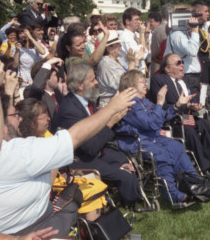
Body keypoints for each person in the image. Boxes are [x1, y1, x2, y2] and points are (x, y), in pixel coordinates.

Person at [0, 59, 136, 236]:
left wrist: (8, 92)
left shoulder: (17, 148)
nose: (19, 118)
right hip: (42, 226)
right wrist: (111, 111)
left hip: (31, 223)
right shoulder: (20, 152)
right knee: (89, 190)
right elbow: (78, 138)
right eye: (15, 114)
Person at [52, 62, 143, 207]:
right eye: (92, 80)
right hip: (81, 160)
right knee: (126, 177)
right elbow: (89, 147)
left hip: (99, 150)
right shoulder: (70, 110)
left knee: (127, 163)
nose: (96, 82)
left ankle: (124, 195)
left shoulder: (88, 100)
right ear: (80, 85)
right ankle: (131, 205)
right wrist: (110, 123)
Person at [115, 69, 208, 204]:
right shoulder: (132, 103)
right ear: (132, 87)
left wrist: (177, 105)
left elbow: (161, 116)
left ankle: (195, 182)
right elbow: (151, 123)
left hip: (150, 137)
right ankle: (173, 194)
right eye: (143, 82)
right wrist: (159, 102)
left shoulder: (143, 101)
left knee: (176, 146)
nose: (146, 84)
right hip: (135, 141)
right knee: (162, 154)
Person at [150, 53, 210, 176]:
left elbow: (188, 101)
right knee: (189, 131)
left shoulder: (182, 81)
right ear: (167, 69)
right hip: (170, 120)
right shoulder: (159, 80)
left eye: (182, 62)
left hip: (184, 116)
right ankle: (204, 166)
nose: (182, 64)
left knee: (203, 123)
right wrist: (184, 106)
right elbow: (161, 106)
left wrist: (193, 106)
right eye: (178, 63)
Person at [97, 30, 144, 107]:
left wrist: (135, 61)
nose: (120, 46)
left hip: (121, 103)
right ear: (109, 48)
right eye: (117, 44)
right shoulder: (106, 63)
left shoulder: (118, 60)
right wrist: (132, 63)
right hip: (111, 106)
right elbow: (124, 85)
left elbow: (132, 78)